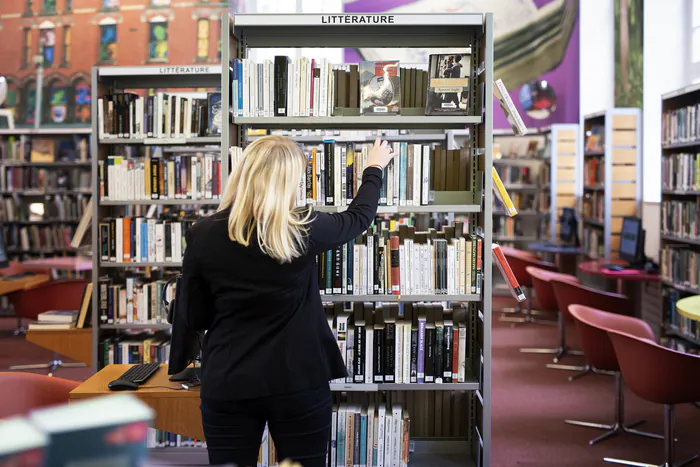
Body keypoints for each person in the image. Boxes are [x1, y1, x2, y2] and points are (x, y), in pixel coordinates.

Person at [180, 135, 394, 467]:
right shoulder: (303, 227)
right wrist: (373, 168)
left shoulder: (202, 233)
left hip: (229, 378)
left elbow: (195, 316)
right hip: (298, 378)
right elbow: (358, 218)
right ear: (288, 181)